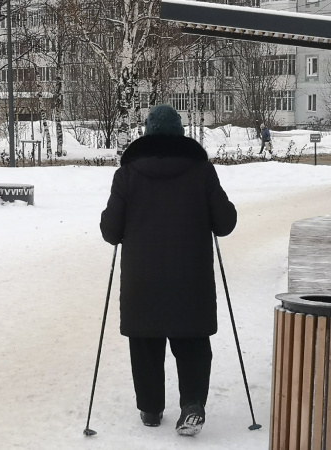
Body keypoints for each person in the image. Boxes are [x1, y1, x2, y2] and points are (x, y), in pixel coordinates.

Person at [100, 105, 237, 437]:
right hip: (191, 278)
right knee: (191, 340)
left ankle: (150, 408)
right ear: (180, 134)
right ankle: (192, 404)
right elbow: (225, 223)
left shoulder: (128, 173)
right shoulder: (202, 171)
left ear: (146, 134)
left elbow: (110, 231)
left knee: (145, 341)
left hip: (142, 279)